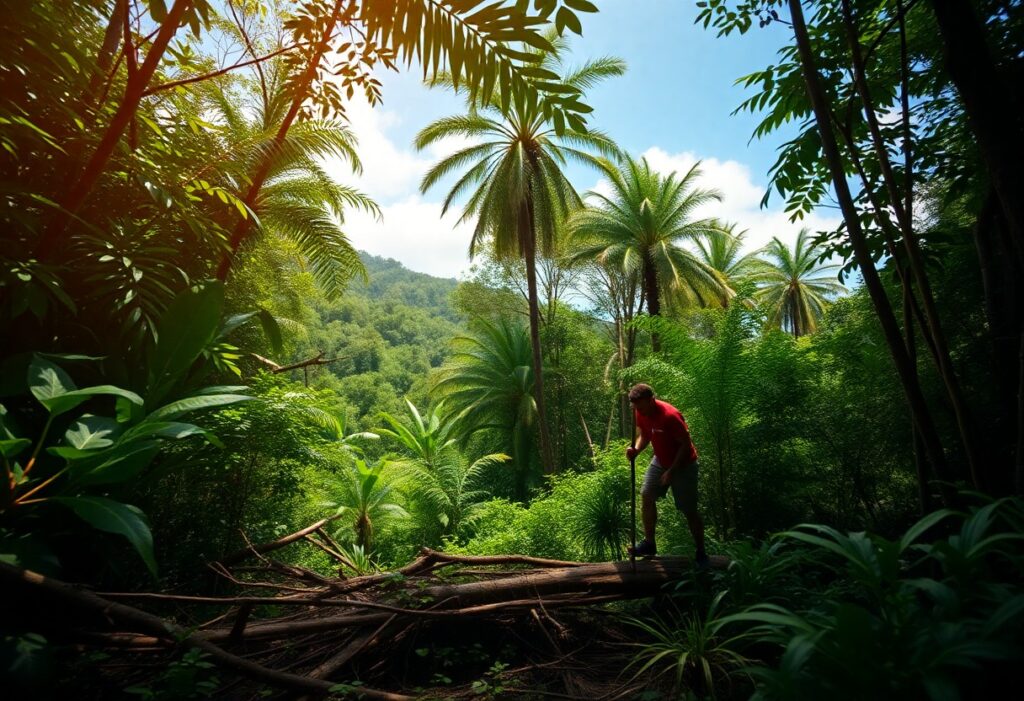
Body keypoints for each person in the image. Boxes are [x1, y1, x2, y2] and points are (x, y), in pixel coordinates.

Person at [625, 383, 708, 567]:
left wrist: (672, 471)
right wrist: (636, 449)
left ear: (651, 400)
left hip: (684, 464)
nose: (637, 410)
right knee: (647, 494)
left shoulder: (670, 416)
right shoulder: (641, 412)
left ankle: (701, 552)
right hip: (661, 460)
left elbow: (685, 445)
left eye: (640, 406)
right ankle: (649, 543)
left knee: (689, 510)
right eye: (635, 407)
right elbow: (645, 435)